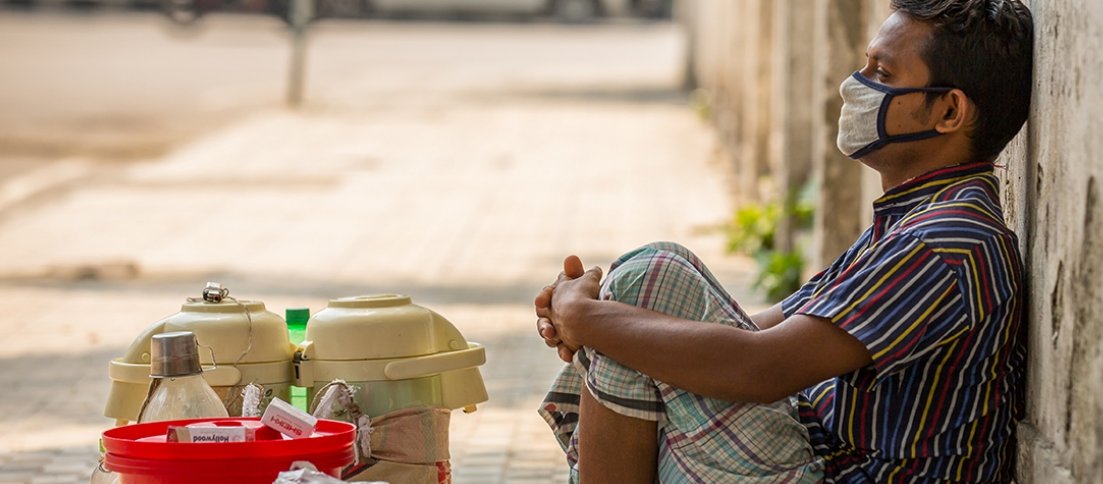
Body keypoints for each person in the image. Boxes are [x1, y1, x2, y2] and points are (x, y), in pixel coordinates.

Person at [534, 0, 1034, 482]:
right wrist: (604, 324)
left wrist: (584, 317)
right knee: (645, 305)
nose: (853, 86)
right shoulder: (916, 218)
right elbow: (755, 328)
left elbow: (762, 366)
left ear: (949, 111)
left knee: (648, 281)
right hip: (815, 453)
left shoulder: (946, 242)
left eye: (882, 75)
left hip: (840, 473)